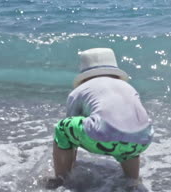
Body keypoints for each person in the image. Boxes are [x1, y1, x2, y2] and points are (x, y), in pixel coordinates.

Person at [46, 48, 153, 189]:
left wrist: (70, 161)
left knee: (62, 128)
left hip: (103, 135)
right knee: (128, 132)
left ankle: (61, 179)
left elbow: (70, 136)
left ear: (84, 74)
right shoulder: (128, 87)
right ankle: (132, 181)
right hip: (143, 138)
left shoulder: (79, 90)